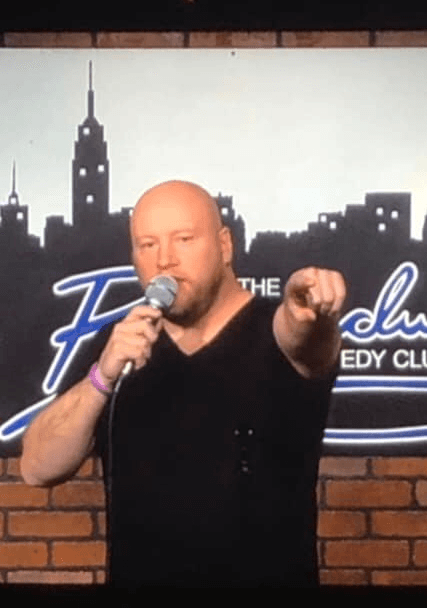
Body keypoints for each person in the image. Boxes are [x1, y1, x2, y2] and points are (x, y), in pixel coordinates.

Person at [21, 180, 346, 588]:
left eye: (184, 239)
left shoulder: (274, 329)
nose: (165, 260)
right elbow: (37, 469)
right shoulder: (118, 344)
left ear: (224, 246)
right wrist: (101, 377)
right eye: (147, 245)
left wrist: (308, 315)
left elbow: (304, 341)